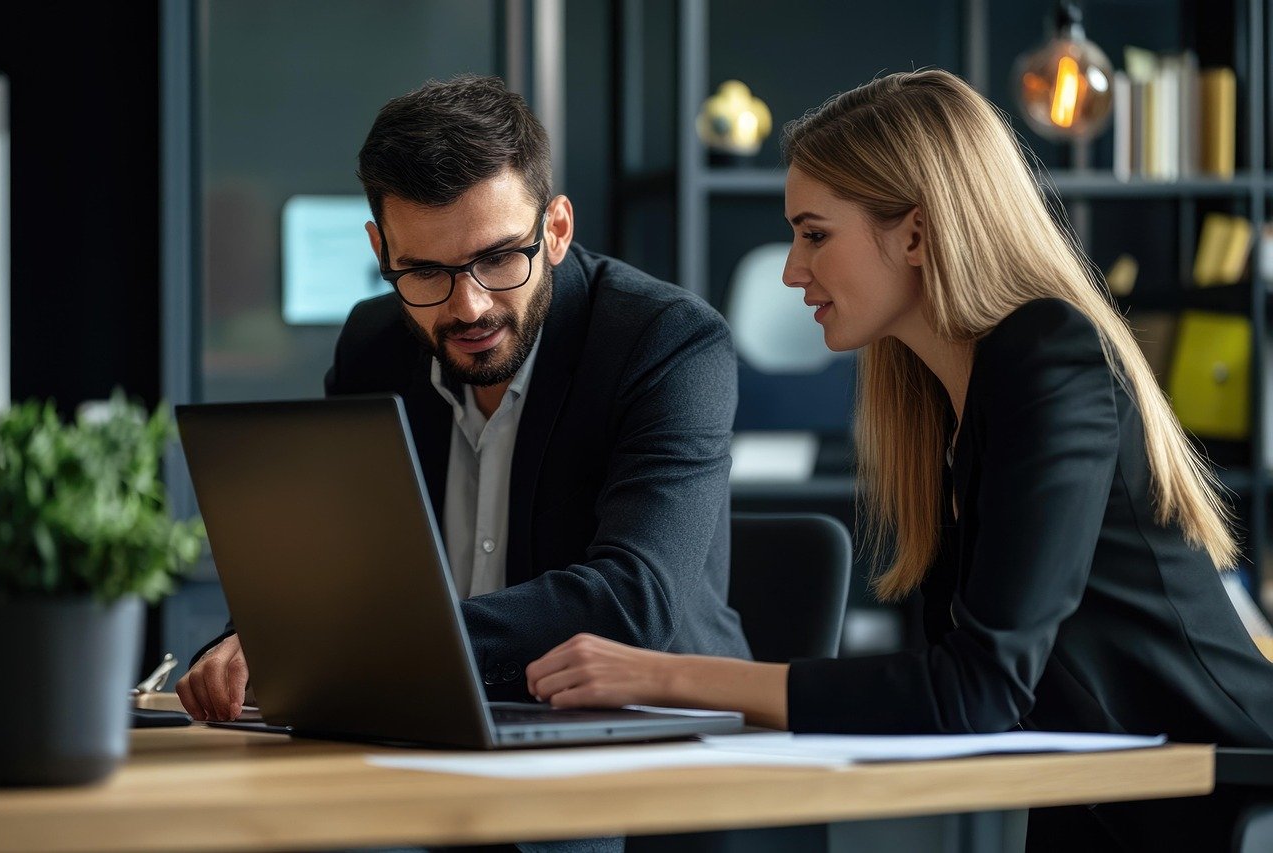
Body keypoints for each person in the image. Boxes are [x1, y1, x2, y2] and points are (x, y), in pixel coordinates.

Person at [525, 69, 1273, 851]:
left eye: (814, 234)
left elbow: (974, 690)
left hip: (1223, 797)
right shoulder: (945, 400)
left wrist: (662, 674)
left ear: (915, 233)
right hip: (1108, 804)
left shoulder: (1047, 355)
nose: (791, 269)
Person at [176, 74, 750, 728]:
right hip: (428, 725)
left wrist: (362, 648)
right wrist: (255, 640)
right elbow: (331, 564)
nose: (468, 306)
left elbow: (630, 600)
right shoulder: (373, 344)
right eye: (424, 272)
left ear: (556, 229)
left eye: (500, 258)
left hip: (645, 745)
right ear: (380, 252)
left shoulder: (666, 340)